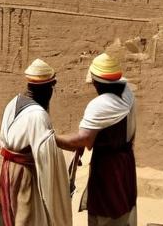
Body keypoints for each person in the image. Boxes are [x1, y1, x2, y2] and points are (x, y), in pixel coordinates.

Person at [55, 54, 137, 226]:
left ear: (97, 83)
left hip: (109, 169)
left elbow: (84, 140)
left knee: (108, 213)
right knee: (122, 210)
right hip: (125, 162)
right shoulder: (126, 91)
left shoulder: (100, 105)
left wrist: (51, 138)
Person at [0, 60, 72, 226]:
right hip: (25, 173)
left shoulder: (14, 102)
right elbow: (46, 156)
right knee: (26, 218)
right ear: (47, 89)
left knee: (15, 214)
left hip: (9, 169)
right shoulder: (38, 115)